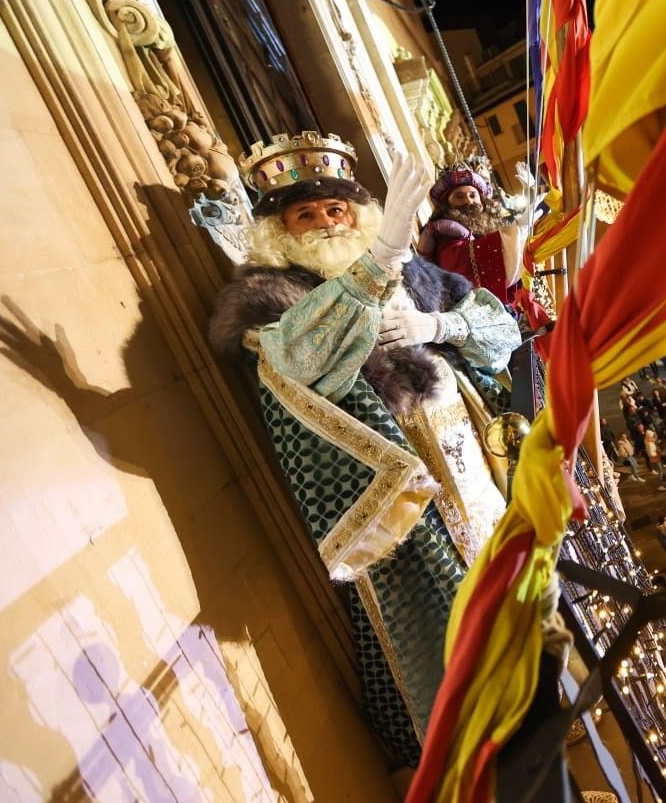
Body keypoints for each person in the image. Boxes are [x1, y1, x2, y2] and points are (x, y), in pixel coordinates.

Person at [209, 144, 521, 766]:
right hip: (403, 500)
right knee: (445, 627)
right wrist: (377, 262)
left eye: (336, 209)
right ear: (278, 230)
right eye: (307, 216)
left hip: (473, 467)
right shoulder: (269, 296)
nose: (328, 223)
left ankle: (537, 710)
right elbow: (299, 357)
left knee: (511, 591)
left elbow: (503, 333)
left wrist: (440, 328)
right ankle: (478, 758)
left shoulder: (421, 277)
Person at [417, 162, 534, 304]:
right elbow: (456, 265)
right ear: (447, 204)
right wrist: (515, 233)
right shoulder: (444, 235)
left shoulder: (490, 228)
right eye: (459, 197)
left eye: (473, 195)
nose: (469, 201)